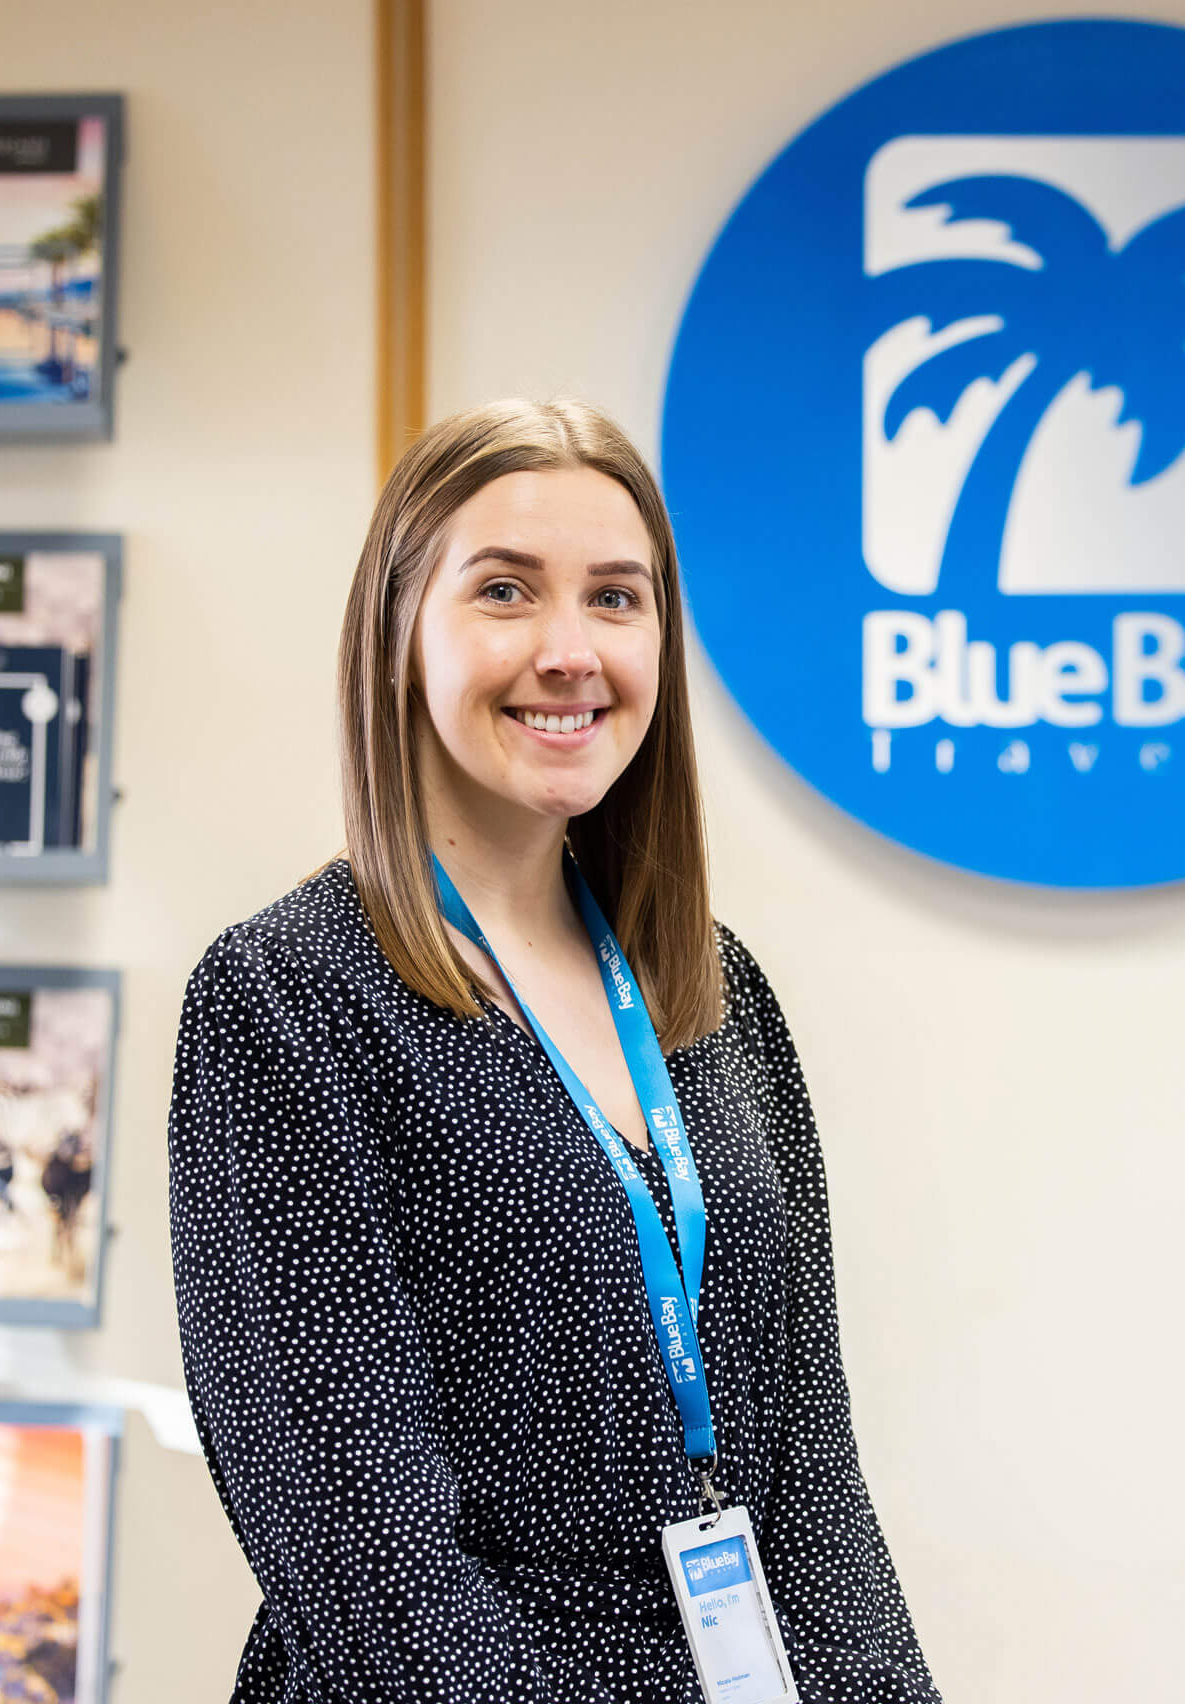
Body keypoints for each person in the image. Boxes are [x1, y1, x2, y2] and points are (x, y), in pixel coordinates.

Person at [166, 399, 941, 1703]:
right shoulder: (287, 999)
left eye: (616, 599)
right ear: (399, 633)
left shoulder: (716, 992)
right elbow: (362, 1552)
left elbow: (811, 1473)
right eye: (506, 591)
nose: (570, 651)